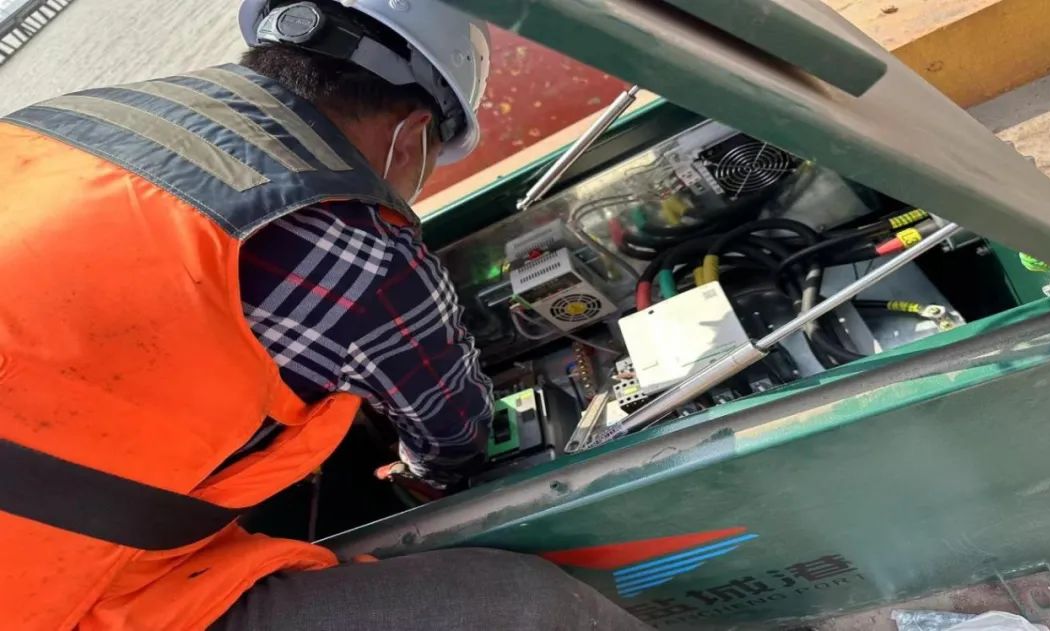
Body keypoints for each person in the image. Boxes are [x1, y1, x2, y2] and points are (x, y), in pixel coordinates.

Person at [0, 0, 650, 629]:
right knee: (529, 610)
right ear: (412, 134)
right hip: (47, 595)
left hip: (51, 512)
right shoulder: (359, 242)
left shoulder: (75, 118)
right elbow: (453, 438)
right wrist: (430, 474)